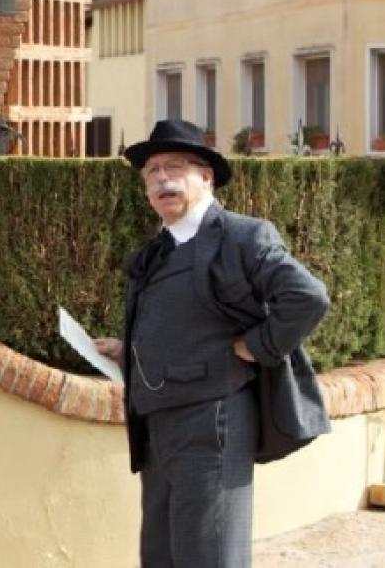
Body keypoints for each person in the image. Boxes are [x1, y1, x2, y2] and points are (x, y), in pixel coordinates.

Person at [94, 119, 331, 568]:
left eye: (174, 167)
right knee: (161, 556)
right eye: (152, 172)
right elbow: (188, 322)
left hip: (213, 421)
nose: (162, 178)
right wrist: (129, 352)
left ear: (205, 176)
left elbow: (307, 297)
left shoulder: (243, 236)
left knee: (210, 556)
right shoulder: (157, 249)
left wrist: (256, 346)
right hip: (157, 428)